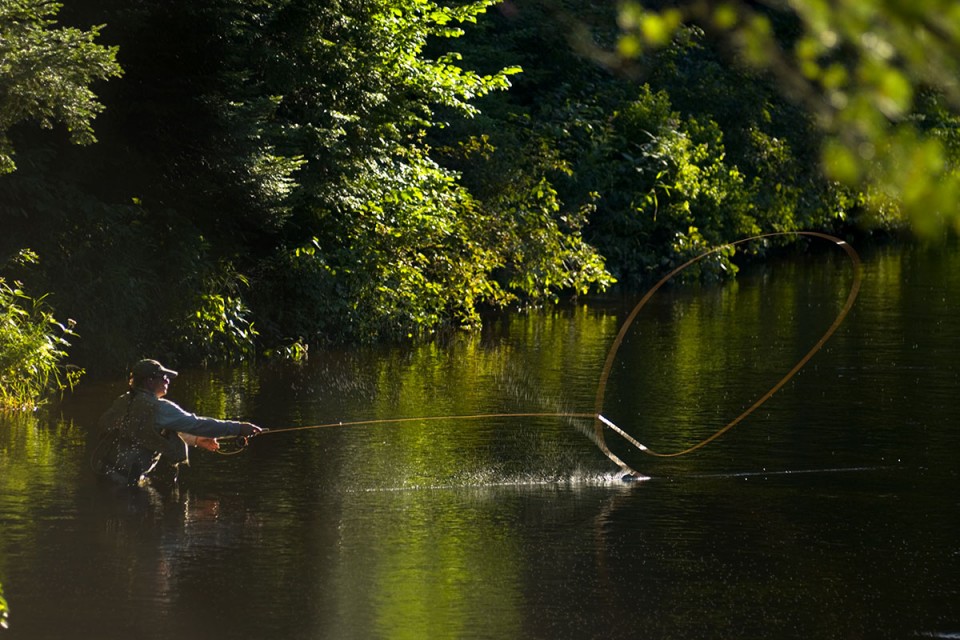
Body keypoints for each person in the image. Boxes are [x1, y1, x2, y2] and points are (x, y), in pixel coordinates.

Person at [93, 359, 263, 485]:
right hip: (125, 482)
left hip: (102, 473)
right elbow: (197, 424)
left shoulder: (124, 400)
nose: (167, 380)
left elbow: (144, 432)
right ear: (149, 381)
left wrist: (196, 440)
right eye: (163, 377)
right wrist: (239, 428)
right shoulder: (160, 408)